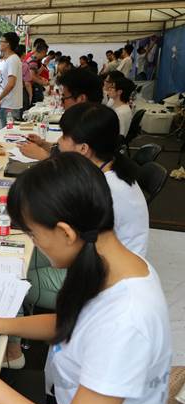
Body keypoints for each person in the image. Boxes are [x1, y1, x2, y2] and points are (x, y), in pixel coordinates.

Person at [0, 151, 171, 404]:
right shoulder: (115, 264)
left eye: (33, 235)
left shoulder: (126, 320)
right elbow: (71, 322)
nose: (35, 244)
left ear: (66, 233)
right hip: (64, 392)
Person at [25, 102, 149, 311]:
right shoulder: (110, 167)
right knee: (27, 253)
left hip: (105, 275)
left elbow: (71, 236)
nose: (59, 142)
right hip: (100, 255)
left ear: (83, 148)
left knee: (21, 277)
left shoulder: (107, 188)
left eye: (64, 136)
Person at [19, 67, 103, 160]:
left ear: (81, 99)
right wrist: (43, 144)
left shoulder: (94, 127)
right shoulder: (81, 119)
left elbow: (78, 166)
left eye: (64, 98)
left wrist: (44, 156)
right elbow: (65, 151)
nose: (62, 104)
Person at [0, 32, 22, 126]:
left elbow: (11, 84)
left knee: (8, 132)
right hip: (8, 103)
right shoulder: (11, 59)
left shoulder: (12, 60)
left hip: (9, 104)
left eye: (1, 41)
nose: (0, 43)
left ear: (8, 44)